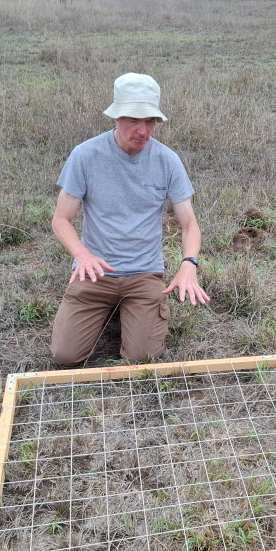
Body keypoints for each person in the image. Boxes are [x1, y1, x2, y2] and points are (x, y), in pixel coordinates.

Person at [49, 73, 210, 366]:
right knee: (65, 356)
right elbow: (61, 219)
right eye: (134, 120)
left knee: (142, 357)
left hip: (143, 272)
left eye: (150, 121)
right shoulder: (85, 155)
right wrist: (81, 255)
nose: (143, 130)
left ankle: (133, 310)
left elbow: (189, 224)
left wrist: (189, 264)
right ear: (116, 116)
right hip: (94, 272)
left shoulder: (167, 160)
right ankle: (111, 308)